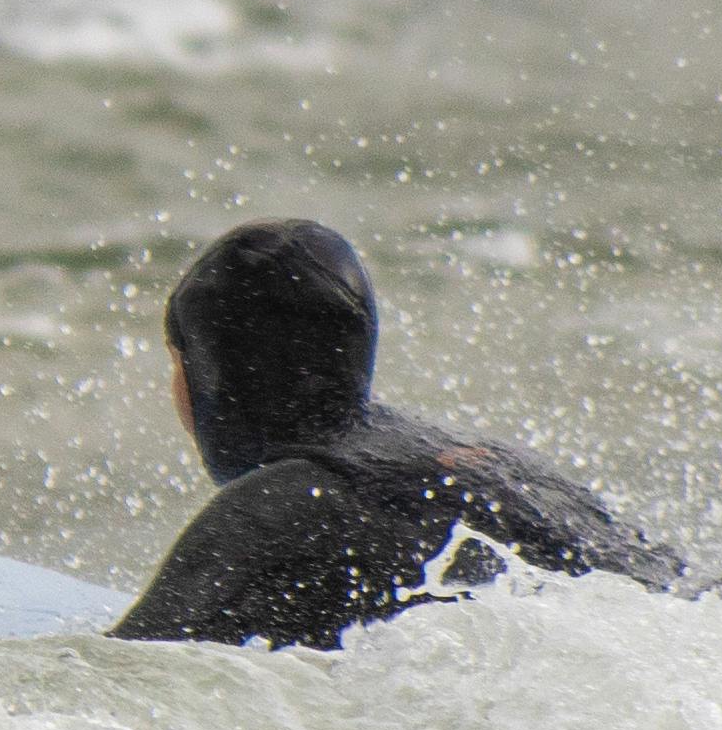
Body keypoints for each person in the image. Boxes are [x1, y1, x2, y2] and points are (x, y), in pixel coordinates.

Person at [114, 219, 680, 647]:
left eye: (177, 362)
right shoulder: (491, 461)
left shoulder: (279, 506)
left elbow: (122, 678)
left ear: (217, 372)